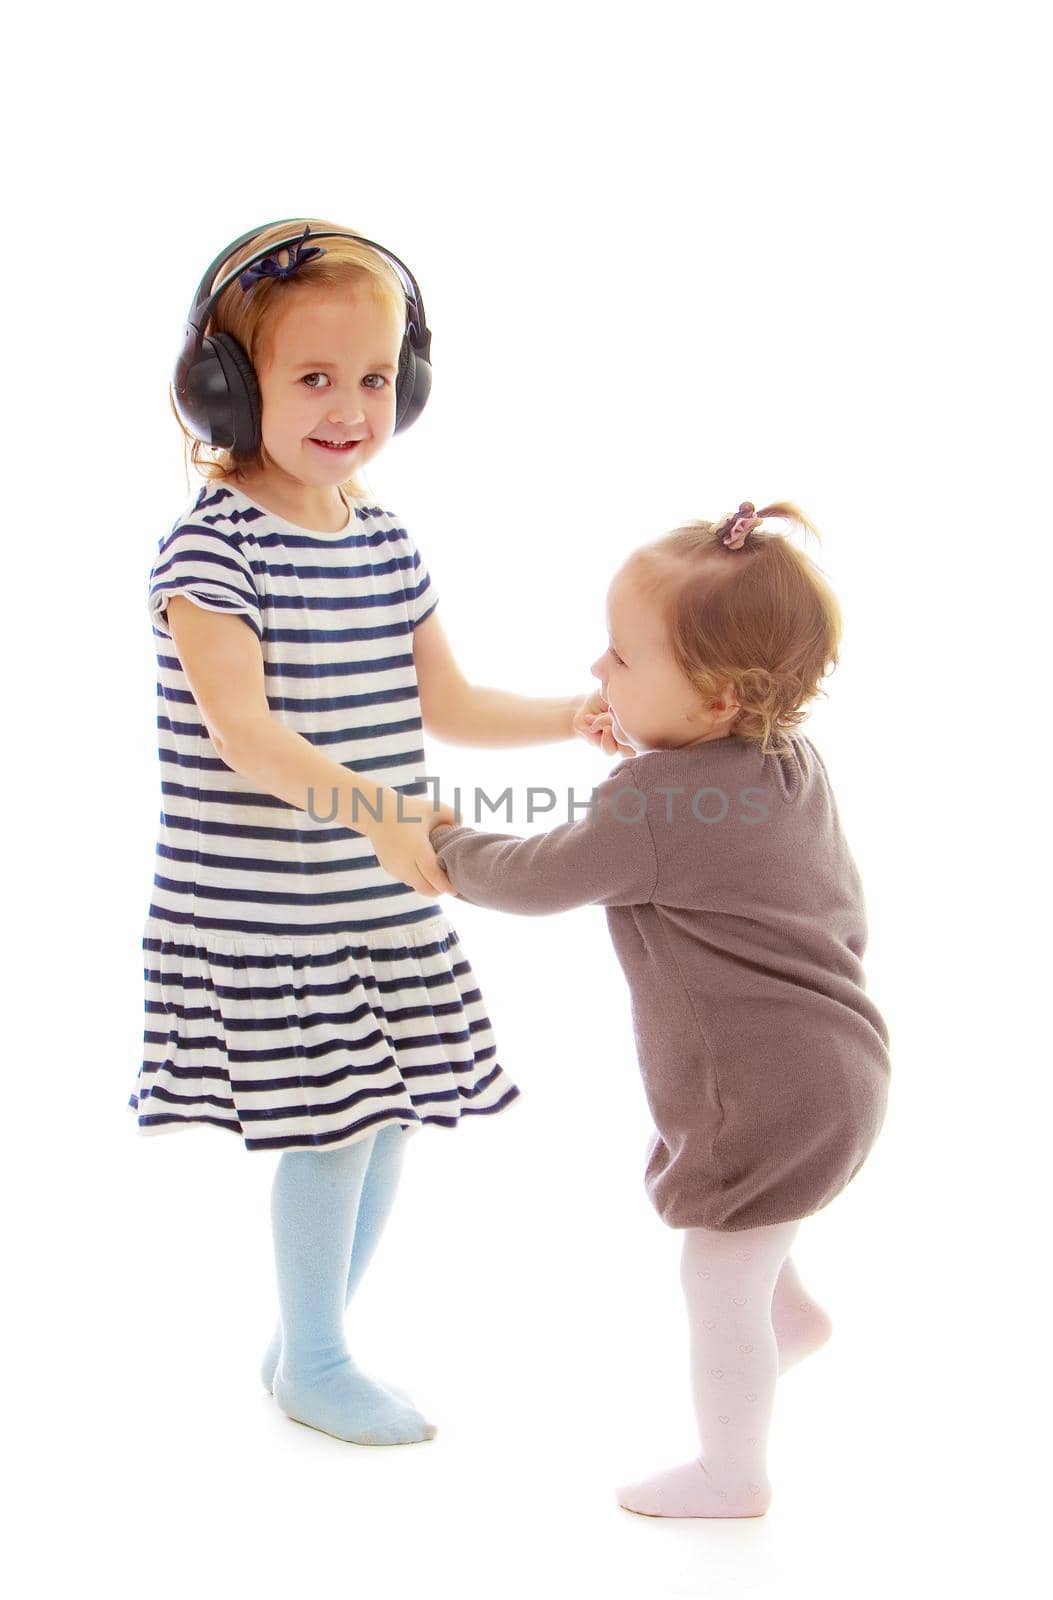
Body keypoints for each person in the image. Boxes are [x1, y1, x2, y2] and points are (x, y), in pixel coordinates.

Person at [128, 217, 627, 1448]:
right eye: (311, 378)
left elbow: (444, 705)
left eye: (373, 377)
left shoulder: (386, 539)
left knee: (389, 1113)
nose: (351, 406)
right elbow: (246, 733)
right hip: (269, 904)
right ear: (226, 389)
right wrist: (383, 810)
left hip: (374, 898)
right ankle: (318, 1353)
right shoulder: (212, 549)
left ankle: (307, 1335)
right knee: (334, 1127)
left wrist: (576, 715)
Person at [429, 501, 891, 1517]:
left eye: (620, 660)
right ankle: (792, 1317)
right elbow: (737, 853)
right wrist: (645, 763)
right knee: (751, 1234)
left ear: (717, 696)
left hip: (763, 1091)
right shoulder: (784, 764)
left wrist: (448, 847)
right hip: (839, 1068)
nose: (597, 671)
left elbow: (542, 873)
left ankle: (732, 1470)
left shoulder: (655, 804)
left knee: (712, 1276)